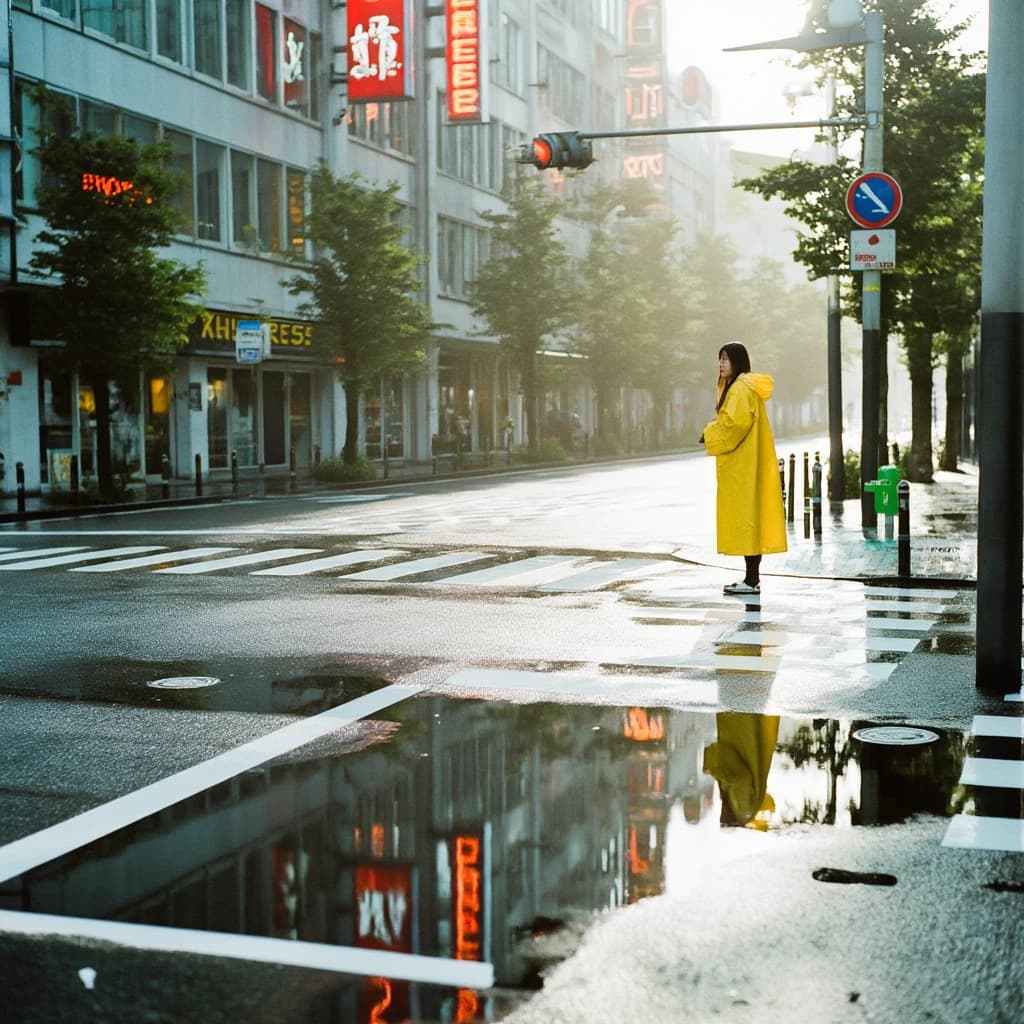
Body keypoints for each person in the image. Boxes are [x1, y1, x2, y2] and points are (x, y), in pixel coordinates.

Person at [700, 342, 787, 595]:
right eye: (720, 359)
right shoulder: (746, 387)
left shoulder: (739, 389)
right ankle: (752, 578)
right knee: (753, 519)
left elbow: (734, 425)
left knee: (748, 520)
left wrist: (708, 433)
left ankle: (751, 580)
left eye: (726, 359)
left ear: (738, 362)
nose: (721, 364)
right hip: (749, 463)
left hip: (744, 467)